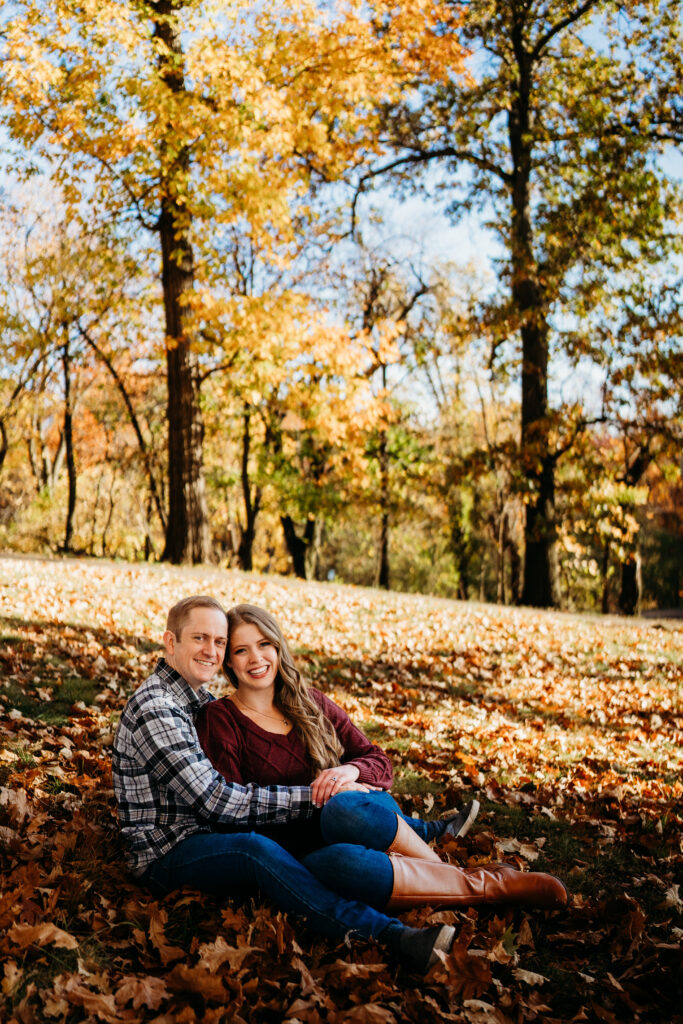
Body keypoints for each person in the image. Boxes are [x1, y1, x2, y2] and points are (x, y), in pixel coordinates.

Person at [112, 594, 466, 975]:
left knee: (315, 834)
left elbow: (373, 759)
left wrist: (343, 783)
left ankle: (421, 847)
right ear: (170, 642)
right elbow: (215, 800)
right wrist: (317, 796)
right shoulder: (157, 707)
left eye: (218, 641)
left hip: (208, 833)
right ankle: (391, 936)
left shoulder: (195, 697)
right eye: (200, 639)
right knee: (254, 850)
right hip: (169, 851)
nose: (211, 651)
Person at [196, 603, 569, 916]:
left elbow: (379, 762)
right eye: (242, 650)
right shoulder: (221, 719)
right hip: (302, 847)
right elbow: (233, 812)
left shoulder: (311, 702)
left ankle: (458, 874)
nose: (256, 658)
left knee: (341, 808)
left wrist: (349, 770)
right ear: (228, 662)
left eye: (264, 644)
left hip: (362, 816)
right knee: (337, 866)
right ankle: (479, 886)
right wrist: (310, 800)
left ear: (278, 648)